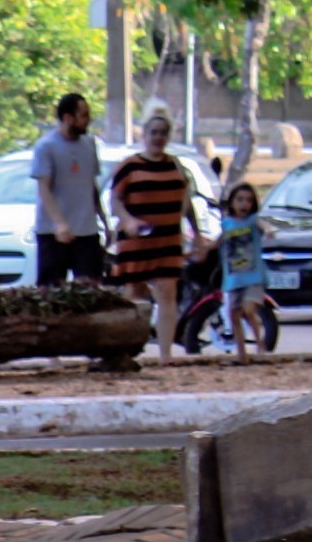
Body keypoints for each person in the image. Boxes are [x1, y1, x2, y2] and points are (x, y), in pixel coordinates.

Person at [108, 111, 198, 355]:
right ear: (144, 135)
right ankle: (129, 348)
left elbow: (186, 202)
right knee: (135, 294)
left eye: (163, 133)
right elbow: (115, 199)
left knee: (167, 293)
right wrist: (128, 220)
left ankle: (166, 354)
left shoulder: (175, 166)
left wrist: (197, 233)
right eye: (154, 132)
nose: (158, 138)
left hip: (168, 240)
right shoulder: (129, 166)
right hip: (136, 241)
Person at [30, 92, 104, 285]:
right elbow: (44, 189)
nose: (89, 120)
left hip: (86, 231)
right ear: (68, 118)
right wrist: (60, 224)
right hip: (53, 233)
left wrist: (103, 219)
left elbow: (91, 185)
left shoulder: (89, 144)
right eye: (84, 115)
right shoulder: (46, 146)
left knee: (92, 289)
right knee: (51, 292)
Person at [218, 181, 273, 362]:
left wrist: (270, 230)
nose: (244, 204)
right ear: (232, 202)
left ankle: (260, 344)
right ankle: (241, 353)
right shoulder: (226, 224)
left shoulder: (252, 221)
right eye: (240, 200)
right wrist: (200, 250)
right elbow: (217, 242)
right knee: (234, 315)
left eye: (248, 200)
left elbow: (263, 225)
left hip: (253, 277)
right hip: (233, 278)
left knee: (249, 310)